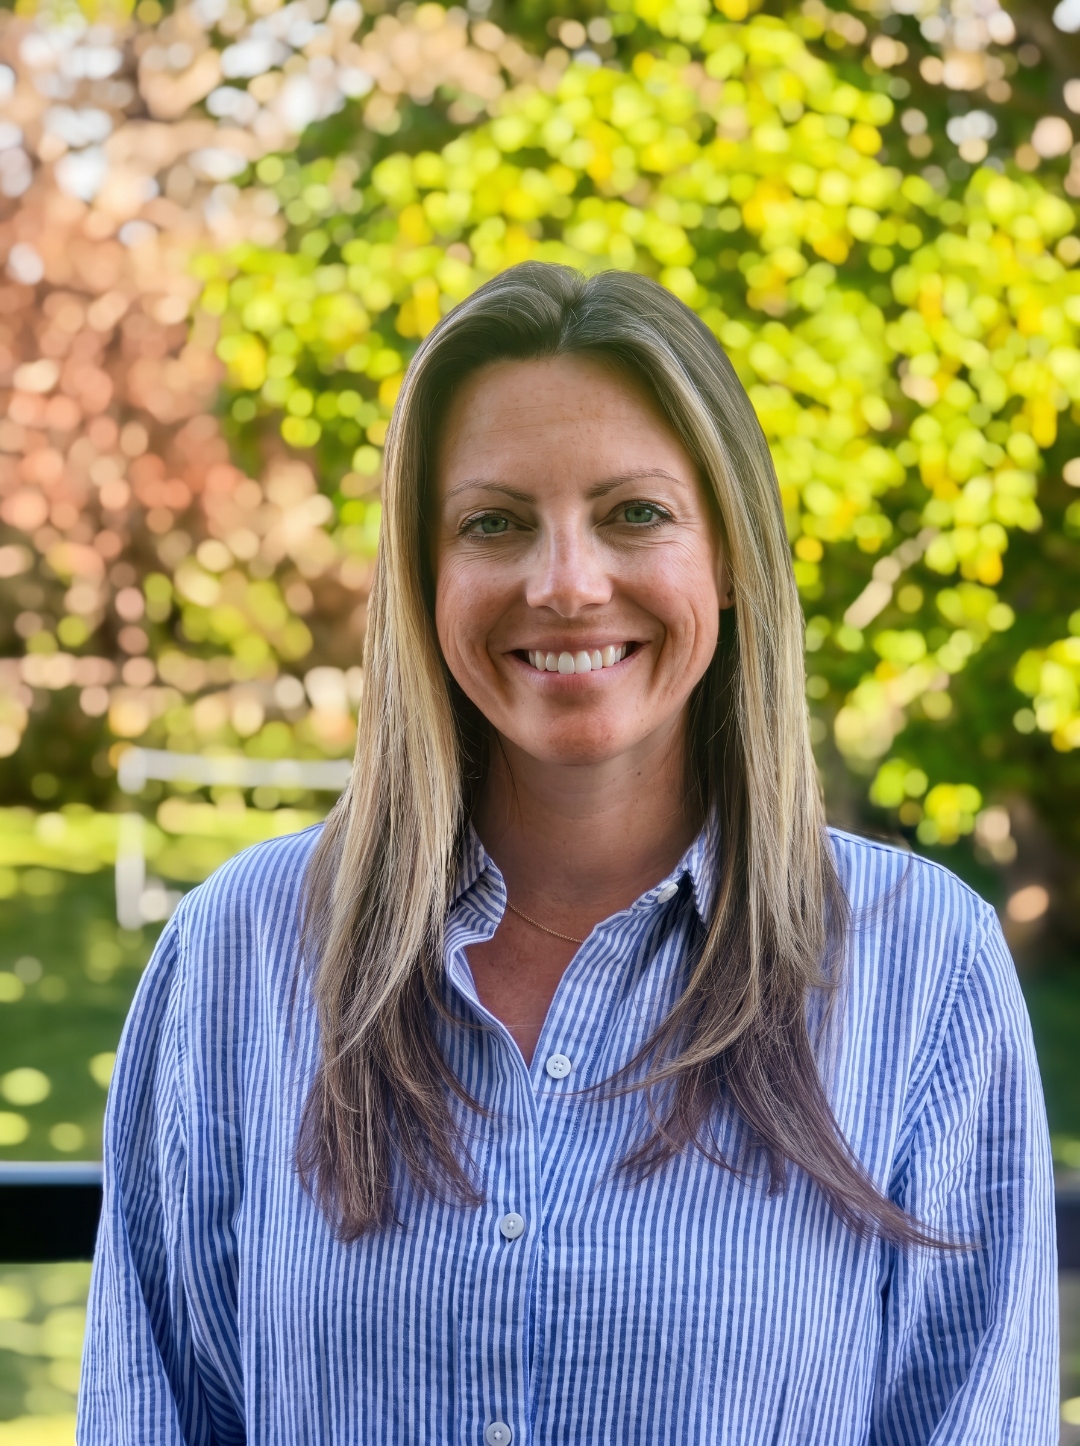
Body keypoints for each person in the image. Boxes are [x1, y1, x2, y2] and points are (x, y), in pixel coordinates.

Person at [79, 263, 1057, 1444]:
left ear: (732, 554)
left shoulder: (920, 963)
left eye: (634, 513)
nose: (566, 584)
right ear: (425, 578)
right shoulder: (237, 952)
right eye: (494, 523)